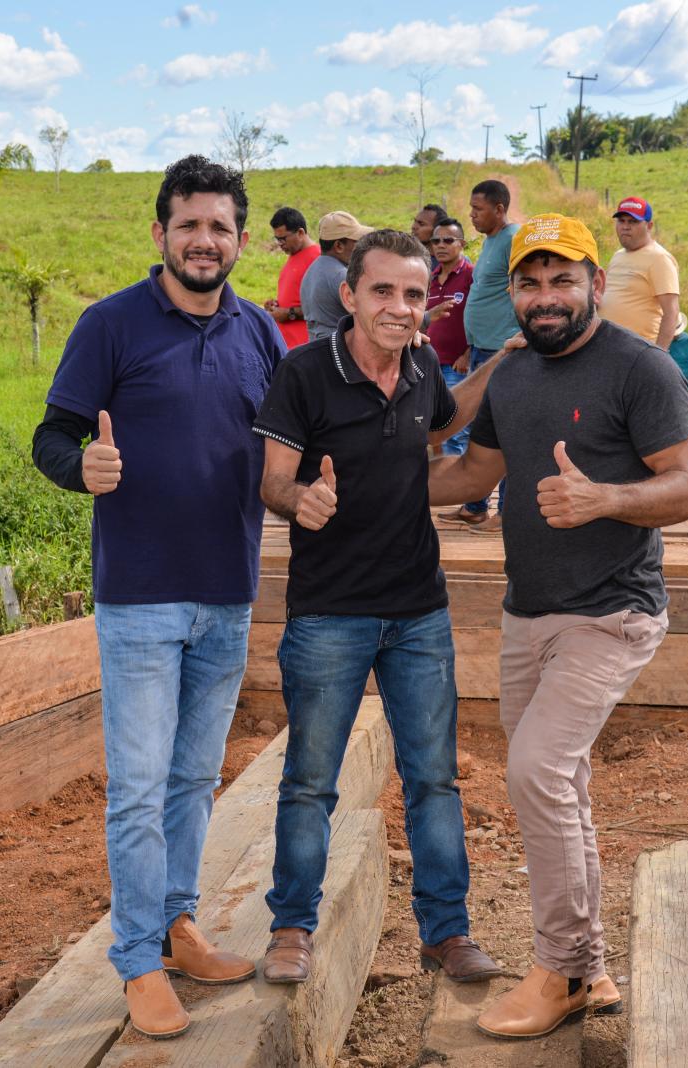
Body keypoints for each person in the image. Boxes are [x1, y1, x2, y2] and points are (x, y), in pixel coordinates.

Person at [427, 214, 688, 1039]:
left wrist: (606, 499)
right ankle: (590, 964)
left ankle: (557, 973)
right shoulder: (511, 376)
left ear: (593, 282)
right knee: (562, 786)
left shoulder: (640, 369)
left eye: (562, 279)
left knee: (538, 771)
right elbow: (478, 468)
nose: (546, 297)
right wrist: (384, 490)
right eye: (529, 281)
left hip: (612, 613)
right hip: (529, 614)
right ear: (510, 290)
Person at [30, 155, 283, 1041]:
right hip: (139, 596)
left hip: (229, 590)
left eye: (220, 227)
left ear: (241, 241)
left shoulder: (261, 333)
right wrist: (82, 467)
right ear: (161, 235)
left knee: (192, 778)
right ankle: (137, 959)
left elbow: (288, 447)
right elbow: (51, 437)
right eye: (189, 225)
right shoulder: (112, 326)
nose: (204, 241)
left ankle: (177, 924)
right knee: (137, 785)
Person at [251, 229, 513, 990]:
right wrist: (303, 498)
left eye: (412, 294)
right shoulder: (304, 373)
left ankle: (447, 931)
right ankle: (293, 927)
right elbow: (272, 482)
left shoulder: (424, 363)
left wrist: (497, 365)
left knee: (433, 777)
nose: (399, 308)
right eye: (383, 292)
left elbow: (441, 419)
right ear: (350, 295)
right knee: (311, 778)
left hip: (418, 611)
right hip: (330, 612)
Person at [439, 179, 521, 531]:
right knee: (479, 429)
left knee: (503, 431)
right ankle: (475, 505)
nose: (471, 215)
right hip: (482, 348)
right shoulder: (490, 242)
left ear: (500, 209)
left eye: (478, 209)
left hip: (501, 349)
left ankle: (506, 512)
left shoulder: (513, 239)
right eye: (471, 208)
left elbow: (521, 287)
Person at [598, 196, 680, 350]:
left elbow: (672, 311)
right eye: (621, 221)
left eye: (633, 222)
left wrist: (660, 355)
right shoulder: (618, 256)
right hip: (607, 347)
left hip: (638, 351)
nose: (625, 226)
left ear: (649, 226)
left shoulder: (659, 258)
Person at [426, 216, 475, 455]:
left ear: (462, 243)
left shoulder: (471, 276)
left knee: (456, 431)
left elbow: (480, 318)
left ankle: (465, 492)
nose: (441, 245)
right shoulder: (430, 279)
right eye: (436, 241)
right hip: (431, 365)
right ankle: (444, 487)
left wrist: (468, 354)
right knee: (435, 432)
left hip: (458, 367)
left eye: (448, 240)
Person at [301, 210, 373, 341]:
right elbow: (372, 316)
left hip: (318, 348)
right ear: (339, 246)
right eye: (357, 242)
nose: (362, 247)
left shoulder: (312, 270)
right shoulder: (341, 275)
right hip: (338, 350)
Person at [264, 207, 319, 349]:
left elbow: (321, 307)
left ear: (300, 233)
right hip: (286, 347)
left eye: (283, 238)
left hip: (305, 349)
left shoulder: (317, 259)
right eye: (277, 239)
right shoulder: (293, 256)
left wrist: (288, 314)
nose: (280, 244)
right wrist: (277, 306)